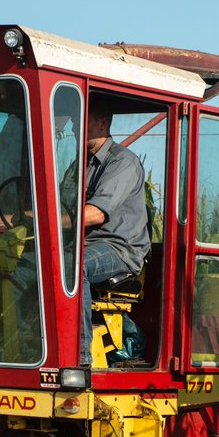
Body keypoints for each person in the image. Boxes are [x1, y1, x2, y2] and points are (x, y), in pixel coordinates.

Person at [78, 102, 150, 366]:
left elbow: (95, 214)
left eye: (83, 119)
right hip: (83, 244)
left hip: (119, 249)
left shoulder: (123, 162)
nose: (76, 125)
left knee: (74, 267)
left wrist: (44, 218)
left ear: (103, 123)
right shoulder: (79, 164)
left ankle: (78, 355)